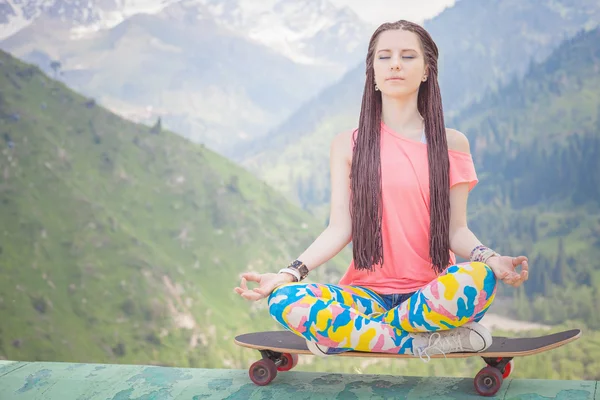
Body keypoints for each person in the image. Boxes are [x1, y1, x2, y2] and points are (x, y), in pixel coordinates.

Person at [234, 20, 529, 361]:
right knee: (284, 299)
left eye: (407, 56)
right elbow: (339, 228)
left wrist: (492, 259)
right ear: (372, 72)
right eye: (384, 57)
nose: (395, 64)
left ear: (426, 70)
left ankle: (351, 334)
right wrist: (289, 273)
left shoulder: (451, 143)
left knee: (478, 278)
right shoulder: (348, 145)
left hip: (429, 297)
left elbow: (456, 230)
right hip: (365, 296)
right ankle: (422, 343)